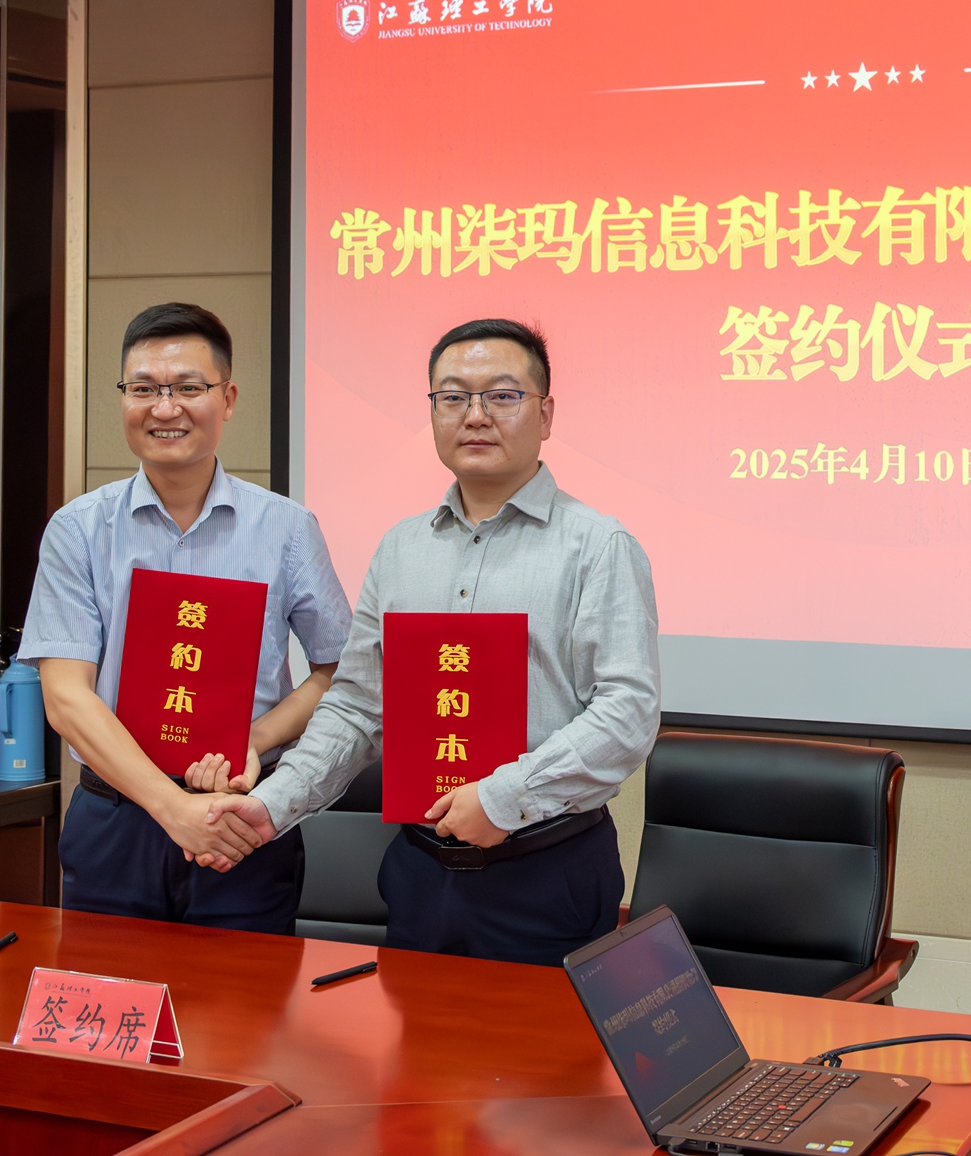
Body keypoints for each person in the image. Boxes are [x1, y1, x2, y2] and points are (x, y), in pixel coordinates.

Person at [199, 318, 660, 966]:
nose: (475, 415)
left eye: (502, 395)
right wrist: (272, 804)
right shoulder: (401, 548)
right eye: (453, 397)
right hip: (419, 871)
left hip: (546, 871)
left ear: (546, 413)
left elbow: (627, 713)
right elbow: (357, 705)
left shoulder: (598, 546)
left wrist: (502, 798)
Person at [18, 302, 351, 932]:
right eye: (144, 389)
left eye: (188, 388)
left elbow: (338, 673)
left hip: (241, 816)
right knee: (108, 993)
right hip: (116, 820)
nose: (164, 408)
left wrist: (255, 739)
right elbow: (65, 697)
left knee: (242, 996)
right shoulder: (79, 529)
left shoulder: (287, 529)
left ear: (227, 399)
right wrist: (172, 808)